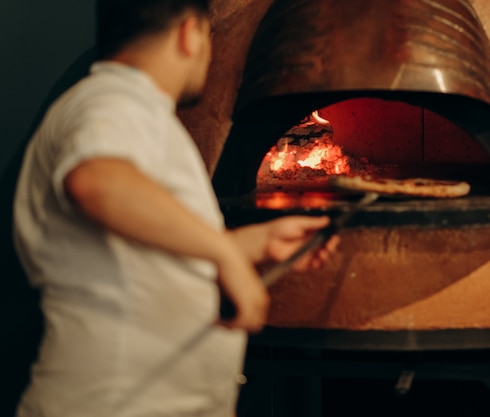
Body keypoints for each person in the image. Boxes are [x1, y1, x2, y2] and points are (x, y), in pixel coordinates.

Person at [12, 0, 338, 416]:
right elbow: (96, 182)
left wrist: (243, 244)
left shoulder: (137, 114)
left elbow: (136, 250)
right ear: (189, 32)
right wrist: (223, 254)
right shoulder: (111, 101)